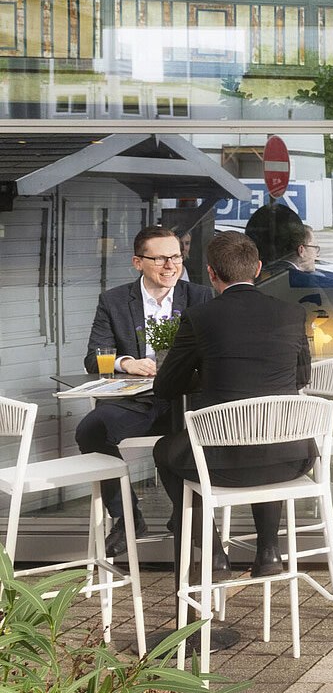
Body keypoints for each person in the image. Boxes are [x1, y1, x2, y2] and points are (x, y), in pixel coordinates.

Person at [153, 231, 315, 579]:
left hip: (221, 464)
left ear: (212, 273)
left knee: (164, 451)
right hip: (292, 458)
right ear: (257, 269)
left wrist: (209, 377)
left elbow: (166, 386)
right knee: (265, 433)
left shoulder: (199, 317)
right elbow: (302, 377)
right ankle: (269, 553)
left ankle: (213, 554)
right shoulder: (292, 313)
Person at [76, 225, 215, 556]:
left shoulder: (201, 297)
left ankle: (189, 519)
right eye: (160, 259)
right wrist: (126, 362)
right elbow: (94, 357)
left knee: (182, 442)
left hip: (186, 401)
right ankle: (127, 517)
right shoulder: (114, 300)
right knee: (91, 430)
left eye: (176, 257)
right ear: (138, 262)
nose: (170, 266)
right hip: (138, 401)